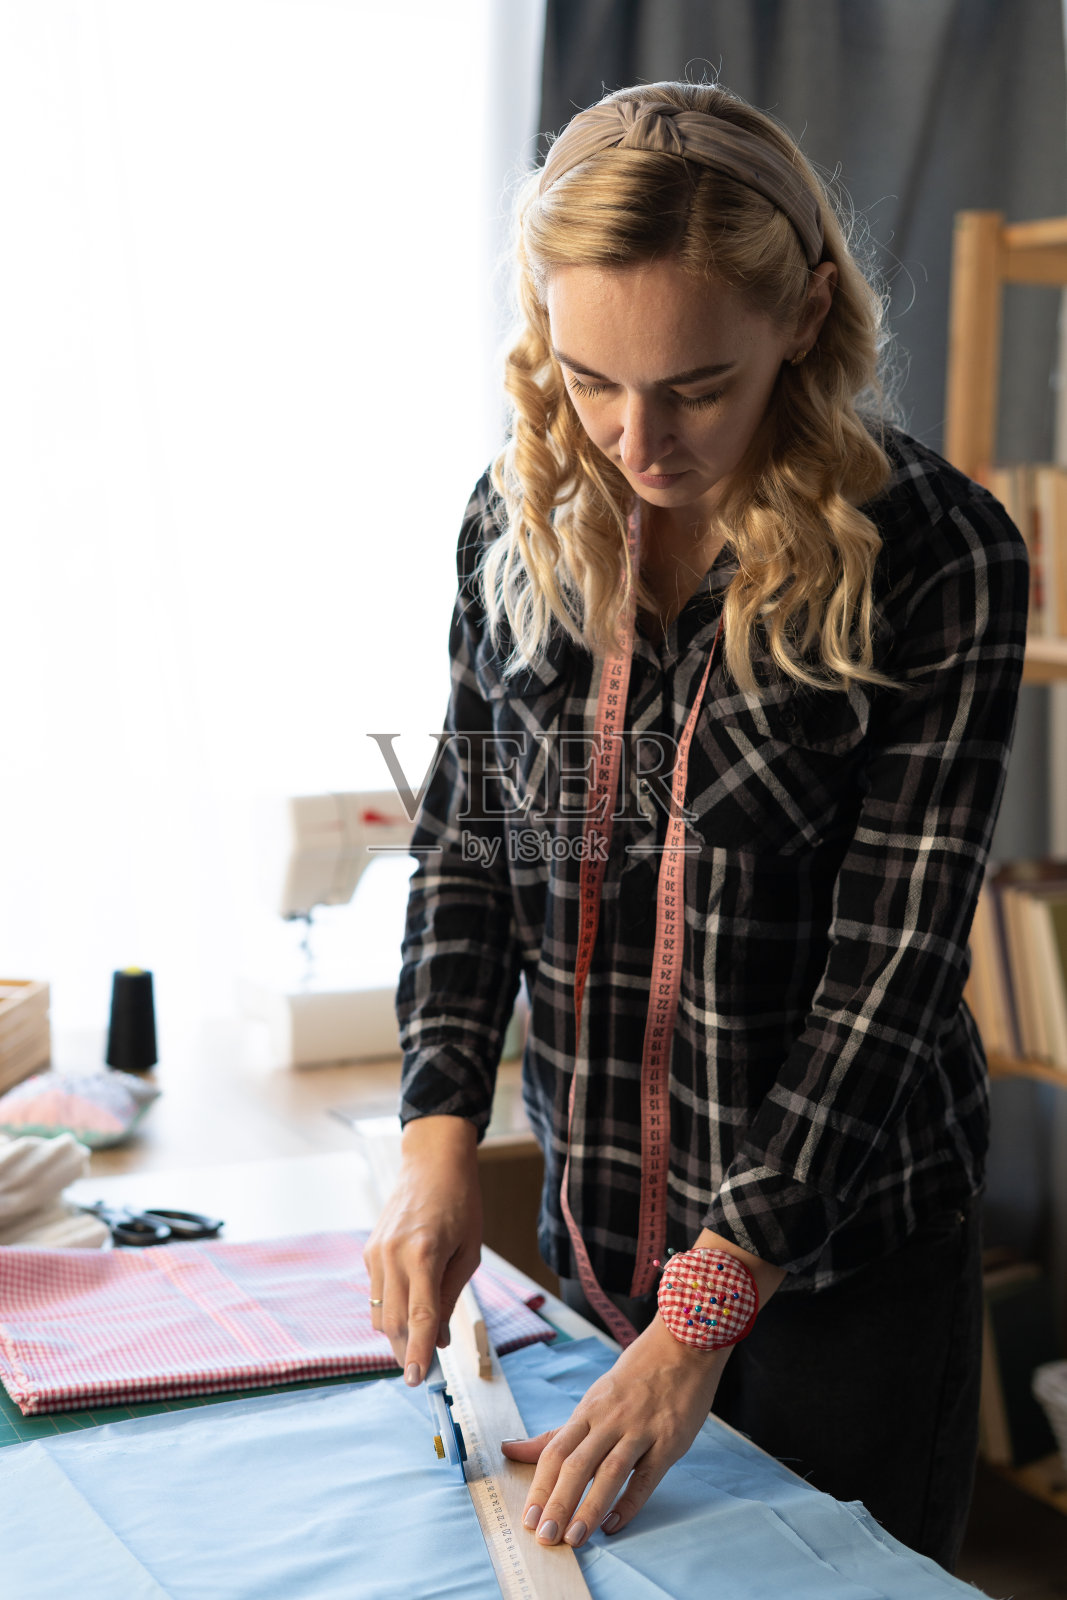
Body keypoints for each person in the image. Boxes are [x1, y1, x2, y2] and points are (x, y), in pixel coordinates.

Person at [363, 80, 1028, 1573]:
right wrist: (437, 1138)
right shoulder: (515, 520)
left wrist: (703, 1318)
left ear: (804, 317)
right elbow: (472, 853)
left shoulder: (941, 557)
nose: (631, 440)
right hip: (608, 1249)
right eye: (591, 377)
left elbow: (890, 978)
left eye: (696, 387)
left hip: (839, 1288)